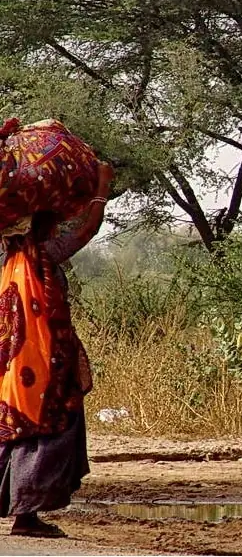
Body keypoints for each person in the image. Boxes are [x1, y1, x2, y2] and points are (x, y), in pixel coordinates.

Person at [0, 161, 113, 538]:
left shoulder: (8, 259)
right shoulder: (40, 255)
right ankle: (26, 517)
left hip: (13, 368)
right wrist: (101, 187)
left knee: (16, 430)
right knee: (48, 428)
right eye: (50, 220)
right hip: (42, 366)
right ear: (41, 225)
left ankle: (23, 512)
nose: (55, 226)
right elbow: (87, 230)